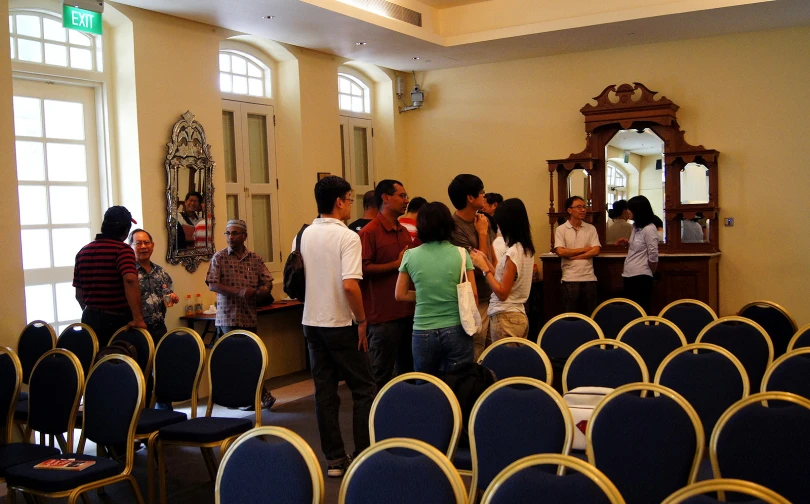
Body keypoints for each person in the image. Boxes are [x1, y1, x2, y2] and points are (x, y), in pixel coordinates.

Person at [294, 175, 376, 478]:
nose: (350, 204)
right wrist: (362, 320)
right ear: (340, 201)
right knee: (364, 389)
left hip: (311, 322)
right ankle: (364, 453)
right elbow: (350, 286)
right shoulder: (347, 237)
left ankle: (334, 460)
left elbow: (300, 280)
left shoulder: (302, 235)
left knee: (325, 392)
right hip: (341, 321)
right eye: (350, 198)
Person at [396, 201, 477, 375]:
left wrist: (425, 295)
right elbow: (474, 295)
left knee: (426, 386)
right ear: (449, 224)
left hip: (422, 330)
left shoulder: (410, 255)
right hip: (456, 328)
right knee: (461, 384)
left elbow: (400, 294)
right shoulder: (462, 254)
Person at [205, 219, 276, 410]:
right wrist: (238, 292)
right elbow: (212, 284)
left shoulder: (255, 259)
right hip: (228, 317)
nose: (230, 237)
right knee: (234, 360)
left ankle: (257, 395)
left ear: (244, 236)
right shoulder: (219, 258)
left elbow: (268, 280)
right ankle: (245, 397)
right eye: (227, 233)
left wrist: (263, 290)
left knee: (252, 357)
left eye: (235, 233)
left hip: (248, 315)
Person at [359, 179, 414, 391]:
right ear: (385, 198)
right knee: (379, 376)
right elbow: (362, 270)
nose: (406, 200)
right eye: (401, 196)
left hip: (406, 313)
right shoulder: (369, 232)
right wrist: (395, 265)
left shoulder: (403, 231)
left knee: (408, 374)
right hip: (382, 319)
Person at [73, 206, 147, 347]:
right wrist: (138, 318)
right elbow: (130, 279)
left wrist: (92, 311)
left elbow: (79, 294)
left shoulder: (83, 252)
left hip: (89, 319)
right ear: (126, 230)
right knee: (119, 364)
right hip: (116, 320)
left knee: (95, 362)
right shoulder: (122, 250)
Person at [470, 198, 536, 340]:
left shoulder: (513, 252)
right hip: (517, 315)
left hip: (506, 317)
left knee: (503, 362)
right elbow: (504, 279)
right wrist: (486, 261)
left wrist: (484, 269)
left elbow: (502, 293)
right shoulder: (525, 249)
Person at [448, 174, 496, 360]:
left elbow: (492, 258)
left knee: (494, 354)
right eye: (482, 192)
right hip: (474, 301)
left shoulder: (482, 220)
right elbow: (477, 264)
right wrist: (482, 234)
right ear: (470, 197)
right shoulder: (454, 227)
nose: (485, 195)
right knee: (477, 354)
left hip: (491, 296)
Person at [128, 229, 179, 344]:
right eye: (138, 243)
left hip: (160, 328)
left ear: (152, 245)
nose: (143, 246)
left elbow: (166, 297)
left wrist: (171, 297)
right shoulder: (129, 272)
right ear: (130, 247)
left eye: (146, 242)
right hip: (137, 330)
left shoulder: (160, 272)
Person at [553, 196, 601, 315]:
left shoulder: (590, 228)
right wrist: (584, 250)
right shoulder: (561, 229)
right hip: (570, 278)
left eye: (584, 207)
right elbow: (561, 252)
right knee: (571, 315)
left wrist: (575, 256)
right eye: (579, 207)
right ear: (570, 210)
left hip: (589, 278)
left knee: (590, 315)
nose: (583, 210)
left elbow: (596, 250)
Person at [616, 195, 659, 313]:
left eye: (630, 209)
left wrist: (651, 270)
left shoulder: (649, 228)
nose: (627, 212)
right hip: (629, 273)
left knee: (641, 309)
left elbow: (653, 253)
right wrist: (627, 243)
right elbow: (638, 247)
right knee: (631, 310)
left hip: (641, 275)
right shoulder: (636, 227)